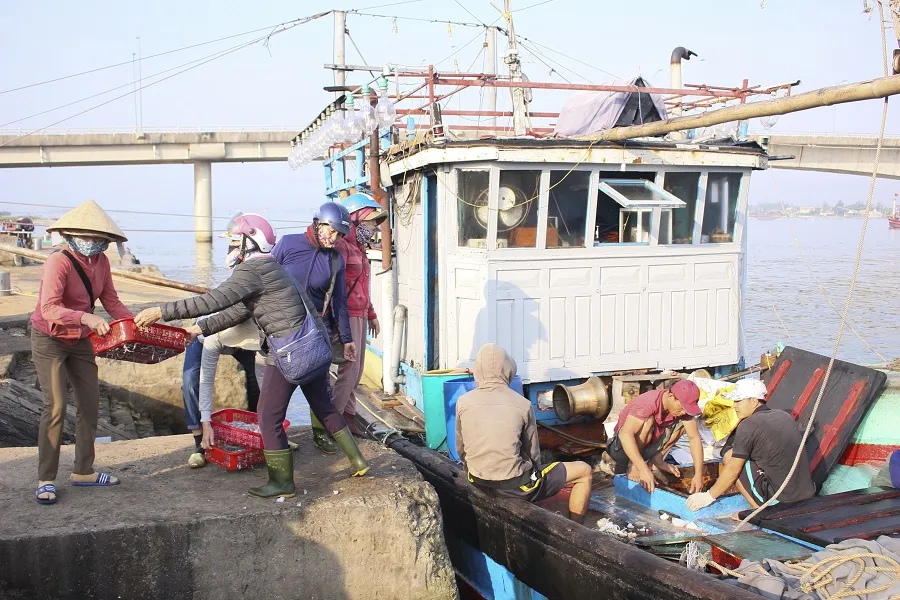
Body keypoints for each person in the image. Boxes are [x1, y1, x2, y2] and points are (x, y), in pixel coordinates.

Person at [133, 213, 364, 498]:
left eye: (233, 243)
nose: (230, 250)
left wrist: (161, 312)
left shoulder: (250, 271)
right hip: (316, 348)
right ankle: (358, 460)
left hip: (290, 353)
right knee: (323, 406)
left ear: (248, 242)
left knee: (268, 416)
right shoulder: (274, 268)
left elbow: (211, 301)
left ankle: (282, 482)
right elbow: (238, 311)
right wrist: (199, 329)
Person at [31, 200, 133, 504]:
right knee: (56, 407)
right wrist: (86, 317)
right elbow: (49, 308)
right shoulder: (58, 261)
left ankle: (83, 471)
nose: (93, 242)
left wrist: (132, 324)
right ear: (71, 235)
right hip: (50, 338)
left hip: (81, 341)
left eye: (98, 238)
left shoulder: (102, 262)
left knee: (90, 404)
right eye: (86, 237)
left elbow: (111, 302)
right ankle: (46, 479)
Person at [271, 201, 368, 478]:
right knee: (281, 399)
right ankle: (281, 448)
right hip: (284, 332)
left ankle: (320, 438)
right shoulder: (288, 245)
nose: (333, 238)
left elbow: (339, 302)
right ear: (318, 223)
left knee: (322, 391)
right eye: (331, 231)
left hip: (317, 333)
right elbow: (264, 281)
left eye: (339, 234)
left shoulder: (334, 258)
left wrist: (347, 338)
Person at [456, 344, 593, 523]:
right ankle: (575, 529)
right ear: (508, 370)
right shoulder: (522, 404)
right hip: (513, 486)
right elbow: (533, 454)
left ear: (478, 371)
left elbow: (461, 449)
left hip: (476, 480)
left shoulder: (463, 401)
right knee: (585, 471)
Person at [686, 379, 816, 512]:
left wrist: (708, 496)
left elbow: (733, 470)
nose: (734, 406)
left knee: (729, 456)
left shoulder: (748, 425)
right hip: (807, 494)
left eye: (738, 401)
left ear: (754, 401)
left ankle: (756, 509)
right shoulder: (784, 416)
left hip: (780, 501)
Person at [332, 192, 385, 437]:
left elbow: (361, 286)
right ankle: (333, 424)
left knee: (357, 371)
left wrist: (371, 313)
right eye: (370, 221)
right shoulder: (342, 247)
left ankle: (349, 418)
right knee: (348, 372)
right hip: (348, 314)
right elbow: (337, 288)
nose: (374, 227)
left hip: (360, 314)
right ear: (353, 220)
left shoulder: (359, 248)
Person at [181, 317, 261, 468]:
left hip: (241, 332)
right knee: (190, 383)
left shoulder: (254, 330)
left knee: (260, 376)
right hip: (208, 331)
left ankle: (267, 432)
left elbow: (267, 381)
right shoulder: (211, 337)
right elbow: (206, 381)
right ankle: (200, 445)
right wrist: (206, 424)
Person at [605, 380, 705, 494]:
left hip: (646, 449)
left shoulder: (681, 412)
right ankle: (633, 465)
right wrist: (642, 468)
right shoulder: (648, 402)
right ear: (671, 396)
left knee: (685, 422)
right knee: (648, 421)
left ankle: (657, 460)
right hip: (621, 449)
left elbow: (694, 439)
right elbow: (625, 435)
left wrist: (698, 474)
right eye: (682, 408)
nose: (683, 412)